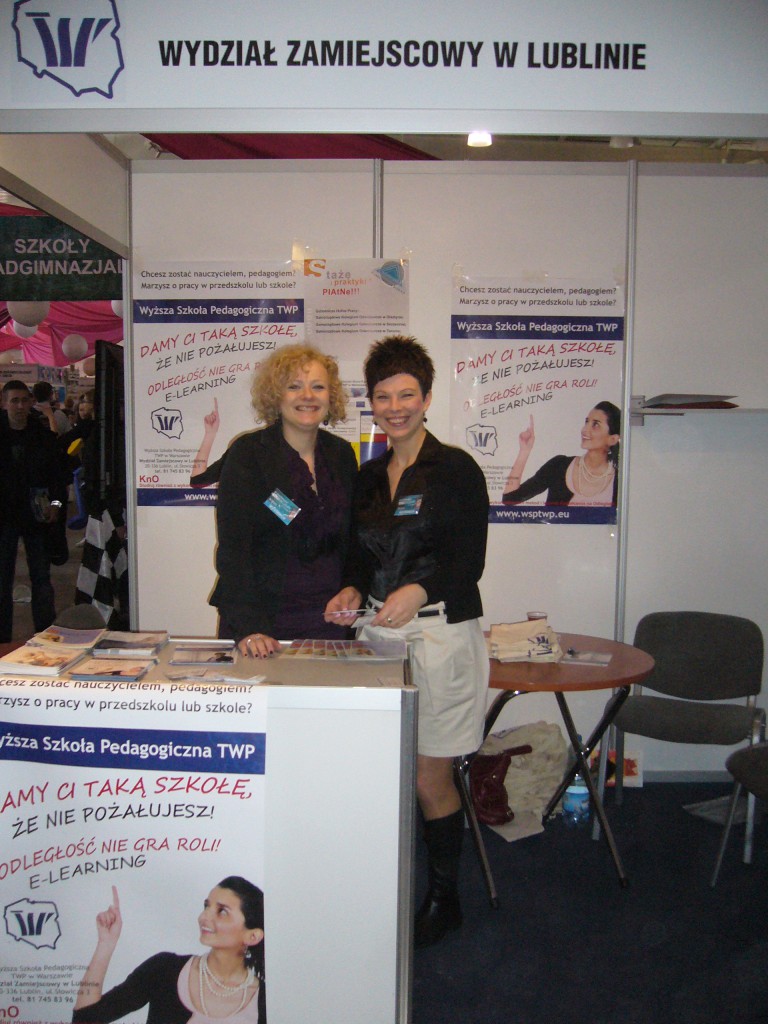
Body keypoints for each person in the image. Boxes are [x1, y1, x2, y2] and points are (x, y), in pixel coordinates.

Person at [325, 335, 490, 948]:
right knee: (378, 772)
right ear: (371, 402)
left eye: (406, 395)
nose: (395, 407)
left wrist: (417, 592)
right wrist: (349, 589)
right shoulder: (368, 476)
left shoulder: (456, 470)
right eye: (383, 396)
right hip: (377, 637)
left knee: (428, 776)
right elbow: (357, 557)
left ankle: (445, 899)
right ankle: (382, 886)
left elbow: (468, 562)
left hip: (439, 634)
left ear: (426, 398)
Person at [209, 344, 358, 658]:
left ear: (331, 396)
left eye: (318, 387)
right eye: (294, 386)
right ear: (276, 395)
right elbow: (234, 550)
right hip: (264, 626)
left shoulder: (342, 455)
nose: (308, 395)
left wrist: (353, 588)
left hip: (330, 620)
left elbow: (352, 540)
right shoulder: (248, 455)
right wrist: (249, 627)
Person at [72, 876, 266, 1023]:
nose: (203, 917)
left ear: (253, 936)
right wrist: (105, 944)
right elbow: (85, 1020)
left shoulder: (265, 1000)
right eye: (206, 906)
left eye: (222, 911)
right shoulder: (164, 969)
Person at [0, 379, 65, 641]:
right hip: (3, 518)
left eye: (24, 400)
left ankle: (45, 636)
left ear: (30, 402)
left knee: (41, 579)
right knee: (2, 582)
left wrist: (56, 505)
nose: (19, 406)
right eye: (14, 401)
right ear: (4, 403)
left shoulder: (43, 438)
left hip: (37, 517)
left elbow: (58, 479)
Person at [501, 401, 621, 506]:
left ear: (613, 439)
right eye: (586, 422)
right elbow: (509, 499)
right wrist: (524, 451)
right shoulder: (559, 465)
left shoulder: (619, 480)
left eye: (595, 425)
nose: (584, 430)